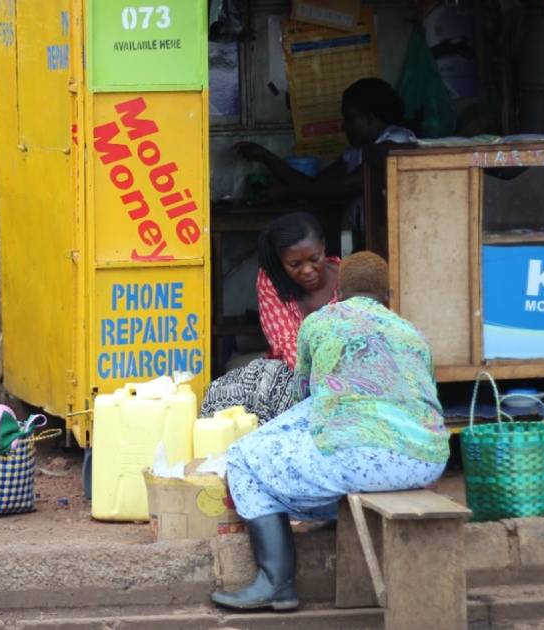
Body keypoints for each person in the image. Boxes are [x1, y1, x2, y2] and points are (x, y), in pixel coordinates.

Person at [212, 251, 450, 612]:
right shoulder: (413, 334)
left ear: (338, 291)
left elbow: (302, 396)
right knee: (319, 442)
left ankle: (276, 583)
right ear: (388, 296)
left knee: (243, 459)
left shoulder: (319, 324)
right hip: (425, 463)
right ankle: (316, 528)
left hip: (357, 460)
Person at [234, 78, 417, 246]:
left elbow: (347, 187)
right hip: (367, 239)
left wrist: (288, 192)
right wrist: (265, 156)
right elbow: (315, 185)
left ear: (370, 118)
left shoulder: (398, 141)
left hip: (396, 242)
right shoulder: (356, 151)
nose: (344, 126)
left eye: (350, 118)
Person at [201, 212, 339, 422]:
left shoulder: (347, 276)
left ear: (324, 246)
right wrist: (323, 386)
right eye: (295, 264)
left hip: (346, 370)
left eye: (314, 259)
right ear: (280, 261)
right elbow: (287, 344)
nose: (307, 270)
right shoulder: (271, 280)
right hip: (295, 371)